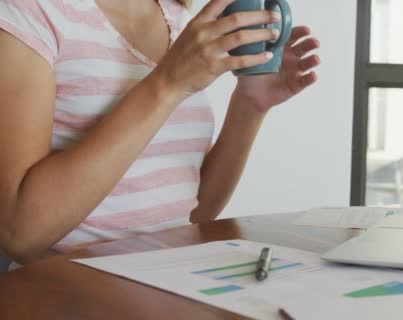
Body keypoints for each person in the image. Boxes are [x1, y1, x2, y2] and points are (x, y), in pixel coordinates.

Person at [0, 0, 320, 266]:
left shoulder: (177, 18)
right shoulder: (30, 12)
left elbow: (194, 210)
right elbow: (20, 234)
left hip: (168, 281)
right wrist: (168, 83)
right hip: (69, 293)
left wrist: (250, 105)